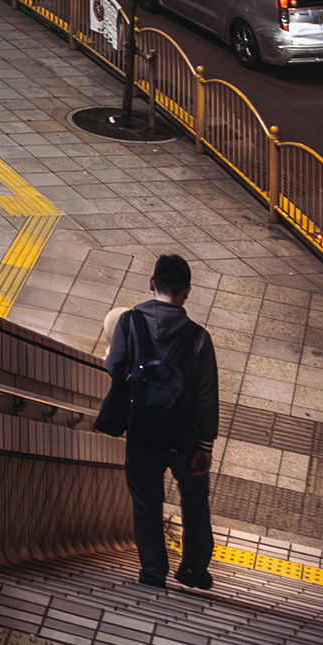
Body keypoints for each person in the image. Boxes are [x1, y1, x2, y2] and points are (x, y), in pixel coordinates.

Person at [103, 252, 219, 590]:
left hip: (142, 432)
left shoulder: (128, 322)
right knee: (195, 501)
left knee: (146, 502)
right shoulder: (199, 338)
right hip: (185, 438)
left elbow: (116, 367)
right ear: (186, 292)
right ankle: (194, 569)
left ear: (152, 283)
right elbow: (206, 396)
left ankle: (153, 572)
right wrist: (205, 444)